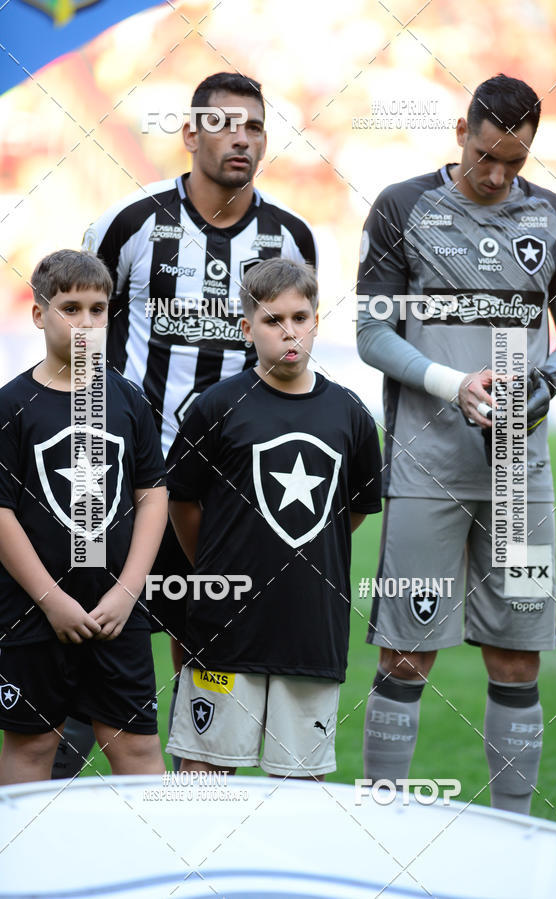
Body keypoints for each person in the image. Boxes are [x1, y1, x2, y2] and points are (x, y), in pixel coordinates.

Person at [53, 71, 318, 777]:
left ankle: (193, 825)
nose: (242, 137)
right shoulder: (129, 224)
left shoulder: (289, 237)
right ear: (191, 131)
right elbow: (81, 342)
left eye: (255, 126)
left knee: (210, 657)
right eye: (225, 122)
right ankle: (48, 821)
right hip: (120, 485)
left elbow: (290, 364)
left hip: (228, 492)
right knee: (89, 645)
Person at [357, 74, 556, 813]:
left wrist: (546, 380)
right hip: (426, 468)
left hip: (519, 478)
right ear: (462, 129)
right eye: (486, 155)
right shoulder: (404, 207)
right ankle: (385, 822)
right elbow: (370, 333)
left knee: (517, 656)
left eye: (514, 163)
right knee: (406, 652)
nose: (496, 175)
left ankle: (512, 835)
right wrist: (450, 383)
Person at [165, 258, 381, 778]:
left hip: (311, 630)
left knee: (300, 788)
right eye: (272, 320)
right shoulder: (216, 406)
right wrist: (217, 566)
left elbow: (349, 513)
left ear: (316, 320)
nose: (289, 331)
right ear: (246, 328)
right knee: (204, 772)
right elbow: (183, 503)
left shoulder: (350, 414)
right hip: (225, 626)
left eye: (300, 317)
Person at [0, 249, 167, 783]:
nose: (86, 322)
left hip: (117, 611)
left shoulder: (127, 400)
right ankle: (22, 867)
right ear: (39, 313)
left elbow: (152, 496)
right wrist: (51, 601)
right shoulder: (12, 405)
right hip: (31, 613)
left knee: (137, 751)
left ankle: (162, 867)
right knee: (31, 748)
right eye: (70, 308)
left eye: (98, 309)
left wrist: (127, 592)